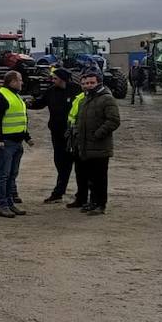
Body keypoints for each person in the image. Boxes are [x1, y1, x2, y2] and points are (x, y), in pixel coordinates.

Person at [71, 69, 120, 215]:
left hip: (99, 146)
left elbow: (114, 121)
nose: (88, 85)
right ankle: (92, 202)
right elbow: (81, 120)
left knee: (100, 178)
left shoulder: (107, 99)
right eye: (85, 83)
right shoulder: (85, 100)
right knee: (90, 177)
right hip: (85, 146)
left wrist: (98, 134)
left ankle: (100, 204)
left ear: (99, 82)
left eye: (92, 82)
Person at [28, 68, 77, 203]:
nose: (52, 80)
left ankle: (82, 194)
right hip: (57, 133)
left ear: (62, 78)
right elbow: (40, 103)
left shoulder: (76, 90)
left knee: (79, 164)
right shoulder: (51, 91)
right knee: (60, 163)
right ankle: (59, 192)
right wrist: (27, 104)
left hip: (74, 134)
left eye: (55, 78)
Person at [0, 71, 30, 218]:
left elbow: (21, 119)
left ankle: (10, 203)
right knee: (3, 175)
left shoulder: (15, 96)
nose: (22, 82)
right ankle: (2, 205)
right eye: (19, 80)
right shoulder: (0, 96)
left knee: (11, 175)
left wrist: (26, 136)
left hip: (16, 142)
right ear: (12, 82)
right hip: (5, 143)